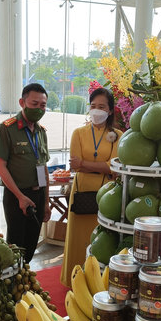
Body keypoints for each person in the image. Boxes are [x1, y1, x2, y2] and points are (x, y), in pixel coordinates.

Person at [60, 87, 121, 287]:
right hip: (81, 191)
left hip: (107, 195)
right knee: (78, 237)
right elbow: (74, 164)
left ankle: (98, 282)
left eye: (101, 106)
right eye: (93, 106)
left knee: (102, 237)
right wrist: (103, 167)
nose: (96, 110)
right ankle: (74, 280)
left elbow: (115, 167)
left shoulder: (118, 135)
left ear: (110, 110)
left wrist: (85, 165)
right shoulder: (79, 133)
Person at [0, 83, 51, 263]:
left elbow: (44, 168)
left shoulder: (41, 132)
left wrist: (47, 202)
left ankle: (25, 278)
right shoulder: (6, 129)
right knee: (16, 243)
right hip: (17, 196)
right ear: (22, 102)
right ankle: (13, 283)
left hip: (39, 193)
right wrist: (20, 196)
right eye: (34, 104)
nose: (39, 109)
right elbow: (0, 167)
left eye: (43, 105)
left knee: (32, 240)